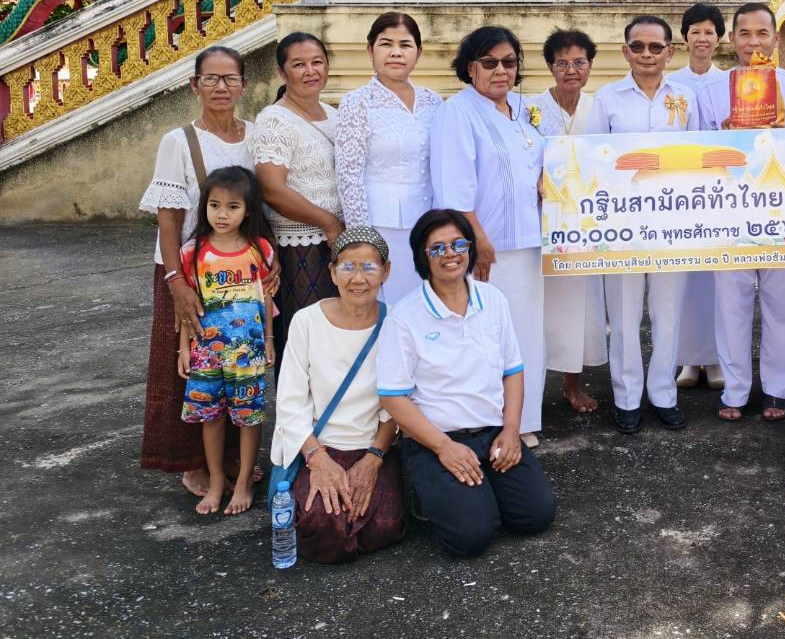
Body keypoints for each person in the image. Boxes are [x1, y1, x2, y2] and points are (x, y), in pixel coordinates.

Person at [378, 210, 557, 557]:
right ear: (423, 257)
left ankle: (479, 493)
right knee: (470, 537)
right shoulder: (405, 316)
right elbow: (393, 397)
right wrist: (444, 448)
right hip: (436, 440)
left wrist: (511, 431)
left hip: (492, 433)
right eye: (438, 248)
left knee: (536, 515)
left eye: (459, 244)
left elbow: (512, 370)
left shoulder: (493, 301)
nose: (451, 254)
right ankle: (432, 491)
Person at [139, 45, 258, 496]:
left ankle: (229, 460)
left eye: (230, 79)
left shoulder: (256, 135)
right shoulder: (179, 141)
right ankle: (192, 463)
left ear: (244, 85)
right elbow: (168, 215)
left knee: (235, 362)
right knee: (188, 368)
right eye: (211, 78)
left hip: (239, 271)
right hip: (188, 270)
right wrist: (176, 281)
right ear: (195, 85)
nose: (221, 87)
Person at [697, 2, 785, 421]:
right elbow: (696, 151)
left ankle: (780, 388)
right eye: (745, 34)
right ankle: (734, 391)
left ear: (775, 38)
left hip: (784, 210)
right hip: (729, 211)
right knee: (730, 304)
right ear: (731, 40)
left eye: (762, 34)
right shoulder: (710, 93)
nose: (754, 42)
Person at [429, 26, 547, 443]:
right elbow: (454, 186)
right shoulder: (457, 112)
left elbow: (540, 161)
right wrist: (476, 240)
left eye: (509, 62)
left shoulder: (525, 108)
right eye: (489, 62)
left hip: (531, 241)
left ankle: (524, 419)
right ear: (470, 67)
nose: (501, 71)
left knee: (526, 331)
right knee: (487, 334)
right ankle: (491, 421)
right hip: (488, 246)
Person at [588, 15, 698, 433]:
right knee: (625, 312)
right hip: (622, 226)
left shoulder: (685, 97)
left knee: (667, 313)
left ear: (670, 51)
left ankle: (664, 394)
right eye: (639, 47)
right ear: (625, 51)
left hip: (673, 224)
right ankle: (627, 397)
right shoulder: (608, 98)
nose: (647, 55)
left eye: (656, 47)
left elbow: (700, 153)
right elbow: (592, 158)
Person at [273, 226, 405, 564]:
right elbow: (290, 399)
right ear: (332, 272)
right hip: (318, 447)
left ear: (386, 271)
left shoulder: (397, 324)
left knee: (385, 526)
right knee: (321, 527)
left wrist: (374, 460)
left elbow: (398, 403)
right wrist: (317, 459)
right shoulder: (306, 321)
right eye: (347, 267)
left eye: (369, 267)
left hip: (373, 447)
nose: (357, 278)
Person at [176, 166, 275, 516]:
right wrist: (183, 348)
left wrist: (269, 341)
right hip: (205, 351)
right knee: (211, 417)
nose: (222, 214)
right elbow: (190, 306)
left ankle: (245, 479)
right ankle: (217, 480)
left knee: (248, 417)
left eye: (233, 206)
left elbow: (265, 299)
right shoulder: (193, 252)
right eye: (214, 205)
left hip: (247, 351)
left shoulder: (260, 250)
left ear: (248, 210)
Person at [334, 12, 442, 306]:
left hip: (427, 224)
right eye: (386, 44)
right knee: (386, 306)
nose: (396, 52)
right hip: (380, 226)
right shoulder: (357, 102)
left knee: (424, 305)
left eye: (406, 45)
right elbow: (349, 175)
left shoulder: (433, 101)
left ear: (419, 52)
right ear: (370, 50)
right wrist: (361, 239)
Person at [528, 28, 608, 417]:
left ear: (590, 65)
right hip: (541, 221)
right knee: (539, 306)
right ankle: (528, 390)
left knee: (581, 305)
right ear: (550, 67)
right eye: (562, 63)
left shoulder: (600, 108)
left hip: (590, 224)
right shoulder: (531, 108)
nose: (571, 70)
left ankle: (572, 384)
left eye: (579, 62)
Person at [255, 32, 342, 342]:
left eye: (317, 62)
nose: (310, 71)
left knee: (337, 335)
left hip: (337, 243)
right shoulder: (275, 121)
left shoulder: (334, 115)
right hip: (300, 246)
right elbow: (271, 188)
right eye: (299, 64)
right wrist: (328, 222)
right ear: (282, 72)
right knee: (305, 338)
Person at [668, 3, 727, 392]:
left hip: (721, 193)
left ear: (719, 38)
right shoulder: (671, 84)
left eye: (709, 32)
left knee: (719, 282)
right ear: (684, 37)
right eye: (695, 31)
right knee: (684, 282)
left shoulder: (733, 82)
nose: (702, 38)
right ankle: (689, 361)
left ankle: (718, 359)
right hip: (680, 191)